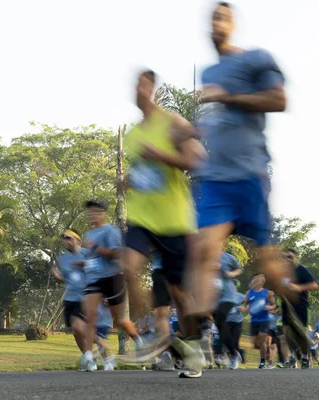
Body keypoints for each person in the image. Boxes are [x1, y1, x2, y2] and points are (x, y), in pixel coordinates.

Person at [187, 3, 298, 375]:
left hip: (250, 174)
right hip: (217, 178)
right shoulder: (210, 70)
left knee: (267, 264)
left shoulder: (256, 58)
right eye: (210, 19)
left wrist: (227, 97)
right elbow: (222, 120)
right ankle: (198, 342)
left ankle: (293, 312)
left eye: (221, 17)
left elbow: (278, 100)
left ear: (233, 25)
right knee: (204, 249)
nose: (214, 24)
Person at [120, 68, 206, 378]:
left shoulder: (173, 123)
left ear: (153, 90)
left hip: (174, 221)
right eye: (135, 85)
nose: (138, 90)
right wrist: (129, 181)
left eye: (144, 85)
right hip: (143, 219)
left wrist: (160, 154)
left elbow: (196, 160)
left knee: (180, 294)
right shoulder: (132, 135)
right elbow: (142, 172)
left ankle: (194, 350)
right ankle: (152, 339)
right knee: (128, 266)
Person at [78, 200, 141, 372]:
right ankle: (89, 356)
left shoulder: (110, 230)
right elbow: (91, 259)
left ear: (102, 213)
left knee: (120, 320)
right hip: (94, 279)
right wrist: (83, 264)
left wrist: (96, 247)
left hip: (112, 277)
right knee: (89, 317)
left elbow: (116, 254)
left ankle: (140, 342)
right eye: (89, 212)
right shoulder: (87, 235)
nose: (91, 215)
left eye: (95, 212)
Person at [281, 249, 318, 369]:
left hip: (301, 306)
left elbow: (314, 285)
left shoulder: (302, 270)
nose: (287, 260)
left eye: (289, 257)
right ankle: (292, 356)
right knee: (287, 332)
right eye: (284, 257)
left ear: (295, 257)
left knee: (301, 334)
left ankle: (305, 357)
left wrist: (298, 288)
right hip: (286, 306)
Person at [52, 229, 87, 356]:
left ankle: (103, 354)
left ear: (78, 240)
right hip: (70, 298)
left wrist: (85, 265)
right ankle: (88, 357)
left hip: (86, 297)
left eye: (69, 238)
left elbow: (99, 270)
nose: (66, 241)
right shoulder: (62, 258)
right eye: (64, 238)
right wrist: (59, 277)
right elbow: (68, 278)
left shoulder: (87, 254)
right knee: (75, 330)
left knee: (78, 327)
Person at [212, 252, 244, 370]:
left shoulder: (227, 257)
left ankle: (232, 354)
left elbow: (240, 269)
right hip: (212, 297)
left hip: (228, 296)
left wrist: (232, 273)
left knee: (220, 317)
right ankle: (233, 353)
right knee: (220, 326)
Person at [241, 273, 276, 368]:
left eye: (258, 279)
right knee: (255, 344)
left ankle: (262, 362)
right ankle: (267, 349)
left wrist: (269, 307)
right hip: (254, 320)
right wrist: (245, 309)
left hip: (265, 319)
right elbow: (245, 306)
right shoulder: (249, 293)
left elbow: (274, 305)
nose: (256, 281)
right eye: (254, 279)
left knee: (262, 337)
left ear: (262, 282)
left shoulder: (267, 293)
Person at [226, 283, 245, 366]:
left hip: (237, 321)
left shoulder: (241, 296)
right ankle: (235, 356)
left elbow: (247, 305)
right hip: (227, 321)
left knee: (235, 340)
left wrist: (243, 308)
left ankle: (234, 360)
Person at [94, 301, 116, 371]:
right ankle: (108, 363)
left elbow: (113, 304)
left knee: (97, 338)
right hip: (96, 321)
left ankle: (110, 357)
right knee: (98, 343)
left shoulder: (105, 293)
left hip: (103, 322)